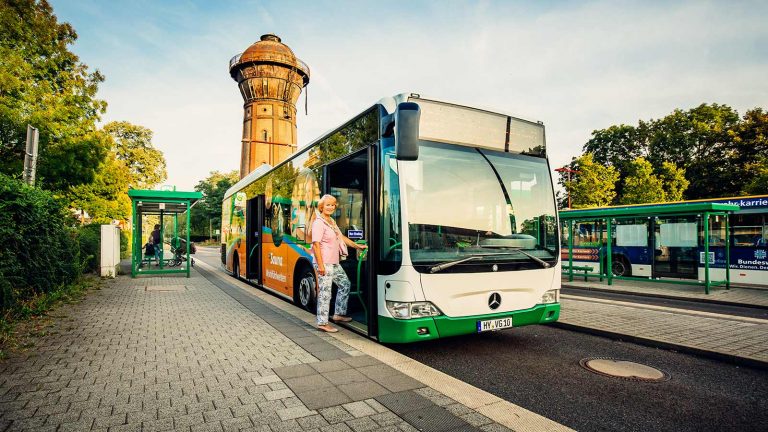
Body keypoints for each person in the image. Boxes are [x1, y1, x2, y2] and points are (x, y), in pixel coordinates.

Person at [310, 194, 367, 333]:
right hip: (324, 262)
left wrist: (357, 246)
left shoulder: (331, 221)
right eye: (328, 205)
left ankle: (338, 314)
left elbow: (341, 237)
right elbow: (316, 244)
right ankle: (322, 323)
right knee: (325, 292)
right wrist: (321, 265)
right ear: (322, 206)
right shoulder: (319, 222)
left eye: (333, 205)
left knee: (345, 284)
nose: (330, 207)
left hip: (333, 262)